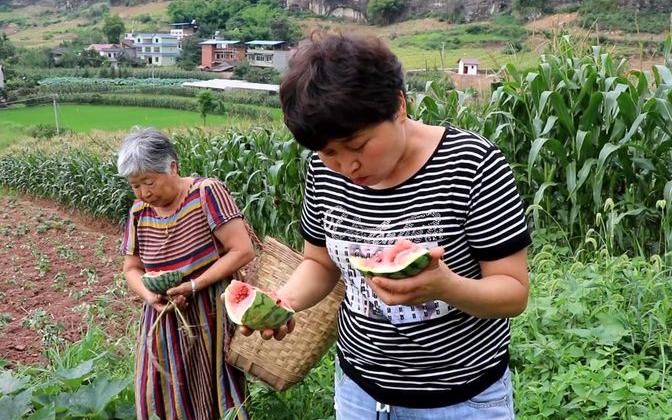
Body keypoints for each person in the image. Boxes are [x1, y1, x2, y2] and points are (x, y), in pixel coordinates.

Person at [244, 33, 532, 419]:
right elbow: (319, 263)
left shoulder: (473, 164)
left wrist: (446, 287)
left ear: (398, 105)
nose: (348, 167)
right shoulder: (323, 173)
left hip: (461, 401)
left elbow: (513, 293)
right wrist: (285, 303)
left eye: (358, 145)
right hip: (360, 395)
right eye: (329, 153)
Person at [118, 127, 254, 420]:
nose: (144, 193)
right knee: (161, 396)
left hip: (210, 316)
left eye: (148, 181)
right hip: (162, 320)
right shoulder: (138, 212)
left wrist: (194, 285)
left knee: (213, 393)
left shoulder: (206, 193)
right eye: (135, 186)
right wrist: (149, 296)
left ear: (172, 167)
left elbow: (242, 250)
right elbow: (131, 268)